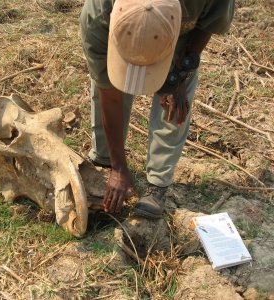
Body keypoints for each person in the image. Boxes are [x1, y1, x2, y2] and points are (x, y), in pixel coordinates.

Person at [80, 0, 235, 218]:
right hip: (116, 30)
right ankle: (105, 159)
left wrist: (180, 75)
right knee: (108, 82)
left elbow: (207, 24)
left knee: (176, 101)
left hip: (176, 31)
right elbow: (110, 96)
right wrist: (118, 167)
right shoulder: (98, 15)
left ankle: (158, 183)